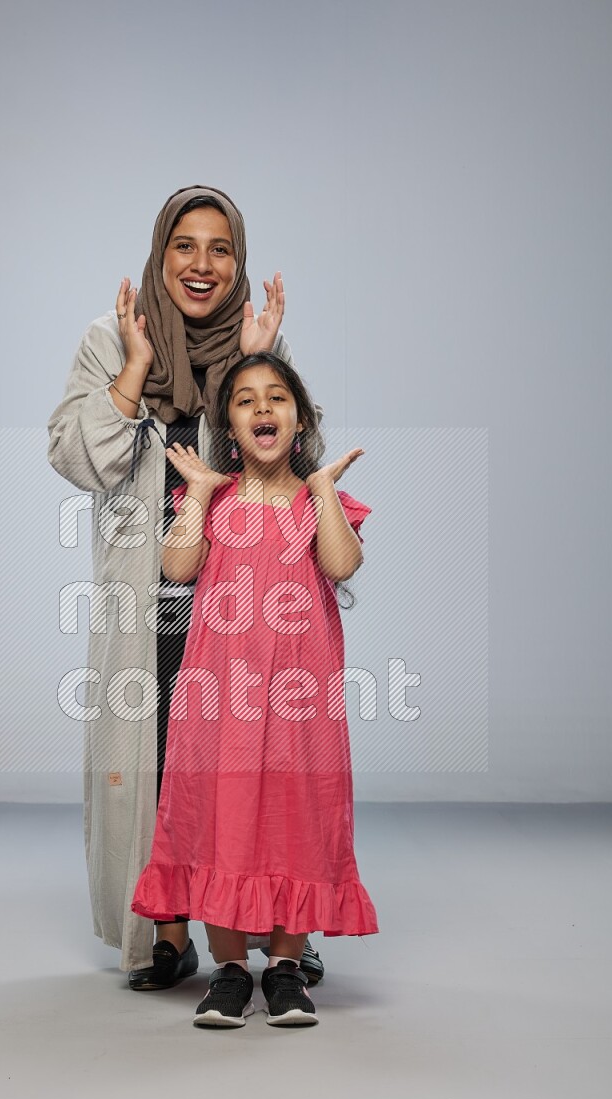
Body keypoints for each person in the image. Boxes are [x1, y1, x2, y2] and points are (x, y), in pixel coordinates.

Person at [47, 186, 326, 988]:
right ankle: (167, 933)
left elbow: (282, 466)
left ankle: (278, 928)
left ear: (237, 261)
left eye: (221, 249)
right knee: (154, 756)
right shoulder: (113, 337)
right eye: (185, 245)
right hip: (146, 590)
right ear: (160, 252)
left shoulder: (251, 343)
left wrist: (257, 361)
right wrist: (136, 369)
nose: (202, 265)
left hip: (238, 596)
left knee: (255, 759)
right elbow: (77, 458)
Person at [131, 353, 378, 1027]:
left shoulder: (319, 499)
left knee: (297, 811)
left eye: (277, 397)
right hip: (221, 697)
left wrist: (323, 492)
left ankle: (288, 968)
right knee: (222, 812)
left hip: (301, 700)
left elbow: (340, 562)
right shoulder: (211, 500)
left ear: (298, 419)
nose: (262, 408)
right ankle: (232, 969)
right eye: (245, 400)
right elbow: (176, 567)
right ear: (230, 426)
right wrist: (203, 495)